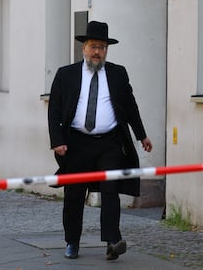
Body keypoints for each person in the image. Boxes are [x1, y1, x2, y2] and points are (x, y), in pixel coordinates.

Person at [47, 21, 152, 261]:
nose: (98, 52)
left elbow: (130, 107)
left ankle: (112, 240)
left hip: (110, 143)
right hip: (76, 143)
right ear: (84, 48)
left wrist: (141, 134)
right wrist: (57, 140)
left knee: (110, 190)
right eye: (94, 46)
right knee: (74, 193)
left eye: (103, 47)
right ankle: (72, 241)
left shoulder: (117, 73)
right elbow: (54, 110)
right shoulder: (66, 74)